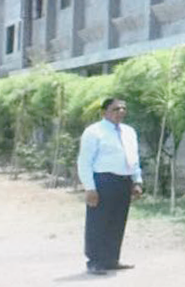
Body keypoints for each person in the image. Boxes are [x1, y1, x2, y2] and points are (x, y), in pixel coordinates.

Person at [77, 97, 143, 275]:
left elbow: (133, 158)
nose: (121, 111)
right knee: (98, 222)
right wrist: (90, 188)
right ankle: (95, 261)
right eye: (116, 109)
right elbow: (84, 162)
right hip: (103, 181)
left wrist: (137, 181)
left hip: (123, 181)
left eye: (123, 108)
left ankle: (111, 259)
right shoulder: (94, 131)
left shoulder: (129, 131)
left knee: (117, 221)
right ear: (104, 112)